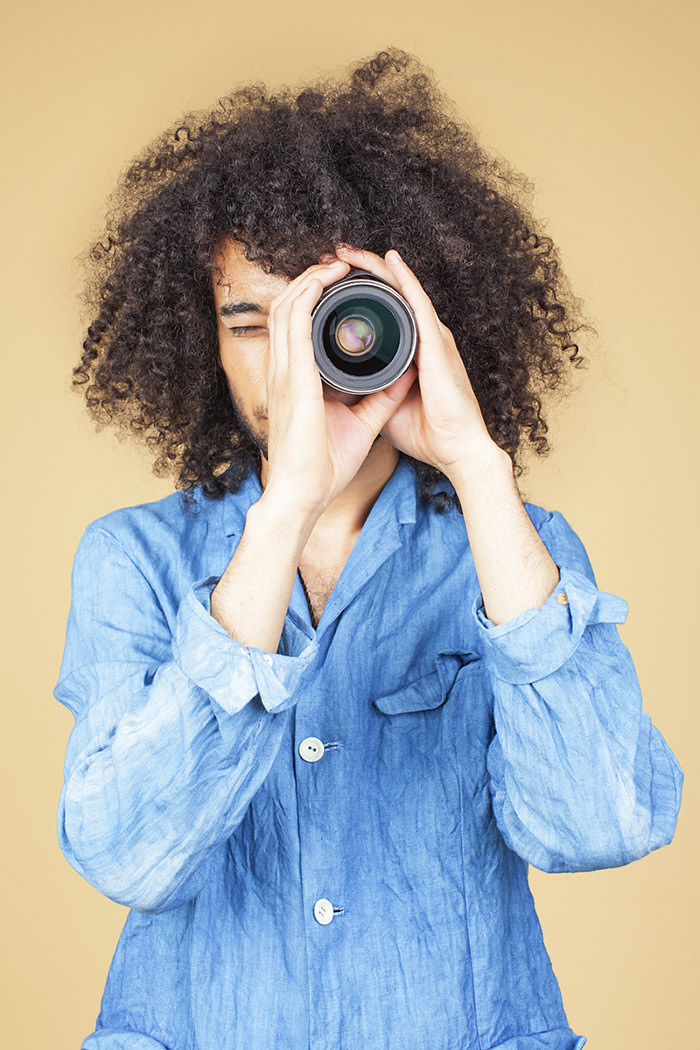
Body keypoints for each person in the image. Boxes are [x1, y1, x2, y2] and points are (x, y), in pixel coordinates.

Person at [54, 46, 683, 1050]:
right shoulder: (132, 558)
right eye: (251, 324)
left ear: (414, 322)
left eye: (331, 321)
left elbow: (596, 826)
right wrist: (287, 508)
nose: (291, 364)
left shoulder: (517, 553)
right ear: (200, 340)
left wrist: (477, 466)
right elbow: (130, 855)